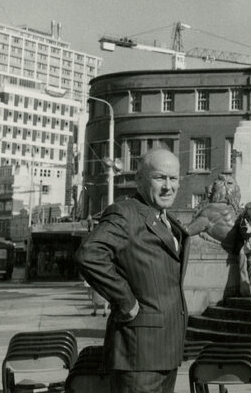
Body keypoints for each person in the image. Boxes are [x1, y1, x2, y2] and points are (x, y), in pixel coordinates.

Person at [76, 148, 189, 393]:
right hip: (138, 355)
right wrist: (126, 301)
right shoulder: (126, 213)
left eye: (173, 179)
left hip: (165, 352)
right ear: (140, 180)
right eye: (160, 178)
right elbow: (90, 254)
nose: (168, 186)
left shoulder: (167, 220)